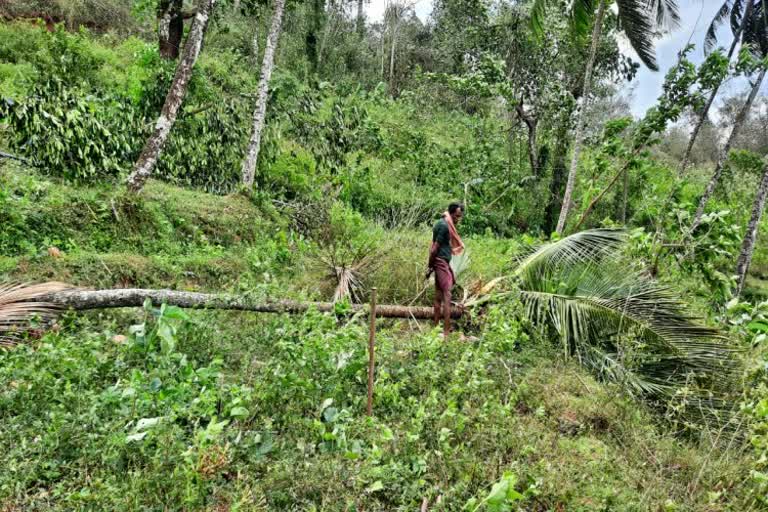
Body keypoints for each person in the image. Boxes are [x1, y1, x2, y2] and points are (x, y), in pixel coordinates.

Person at [426, 202, 464, 338]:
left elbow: (435, 246)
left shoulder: (442, 223)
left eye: (460, 217)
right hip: (441, 262)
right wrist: (430, 266)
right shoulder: (444, 226)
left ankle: (435, 329)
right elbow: (434, 248)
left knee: (438, 296)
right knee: (447, 296)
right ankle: (446, 333)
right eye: (457, 216)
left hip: (440, 262)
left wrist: (430, 266)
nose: (458, 219)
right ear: (451, 213)